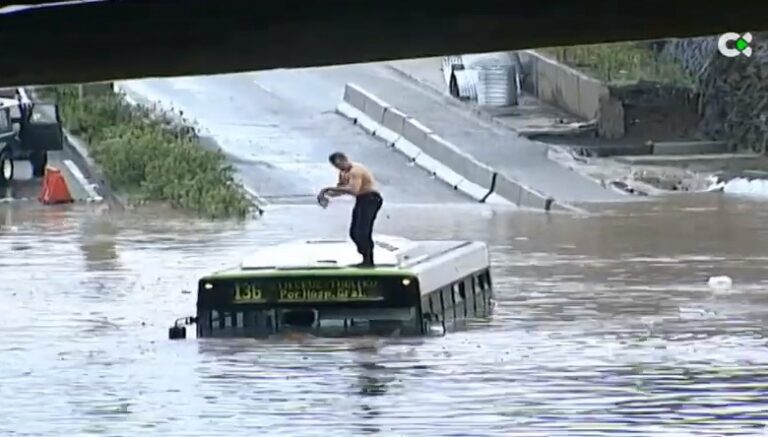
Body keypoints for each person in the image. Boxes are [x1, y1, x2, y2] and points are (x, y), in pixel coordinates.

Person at [317, 152, 383, 267]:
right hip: (361, 199)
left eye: (340, 165)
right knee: (354, 232)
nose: (339, 168)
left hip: (371, 198)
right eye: (336, 167)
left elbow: (353, 190)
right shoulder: (343, 173)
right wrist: (325, 195)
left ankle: (369, 259)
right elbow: (340, 189)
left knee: (363, 231)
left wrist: (327, 189)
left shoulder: (355, 170)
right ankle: (364, 255)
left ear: (344, 160)